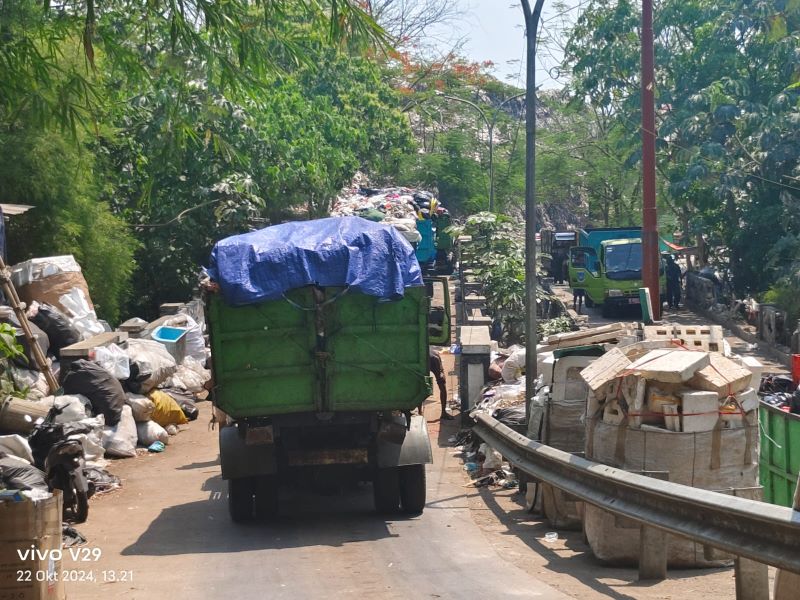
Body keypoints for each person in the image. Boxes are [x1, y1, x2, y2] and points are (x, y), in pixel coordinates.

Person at [429, 348, 452, 420]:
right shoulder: (435, 356)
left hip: (424, 359)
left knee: (421, 384)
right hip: (433, 359)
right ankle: (443, 412)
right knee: (442, 385)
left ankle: (420, 412)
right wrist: (441, 373)